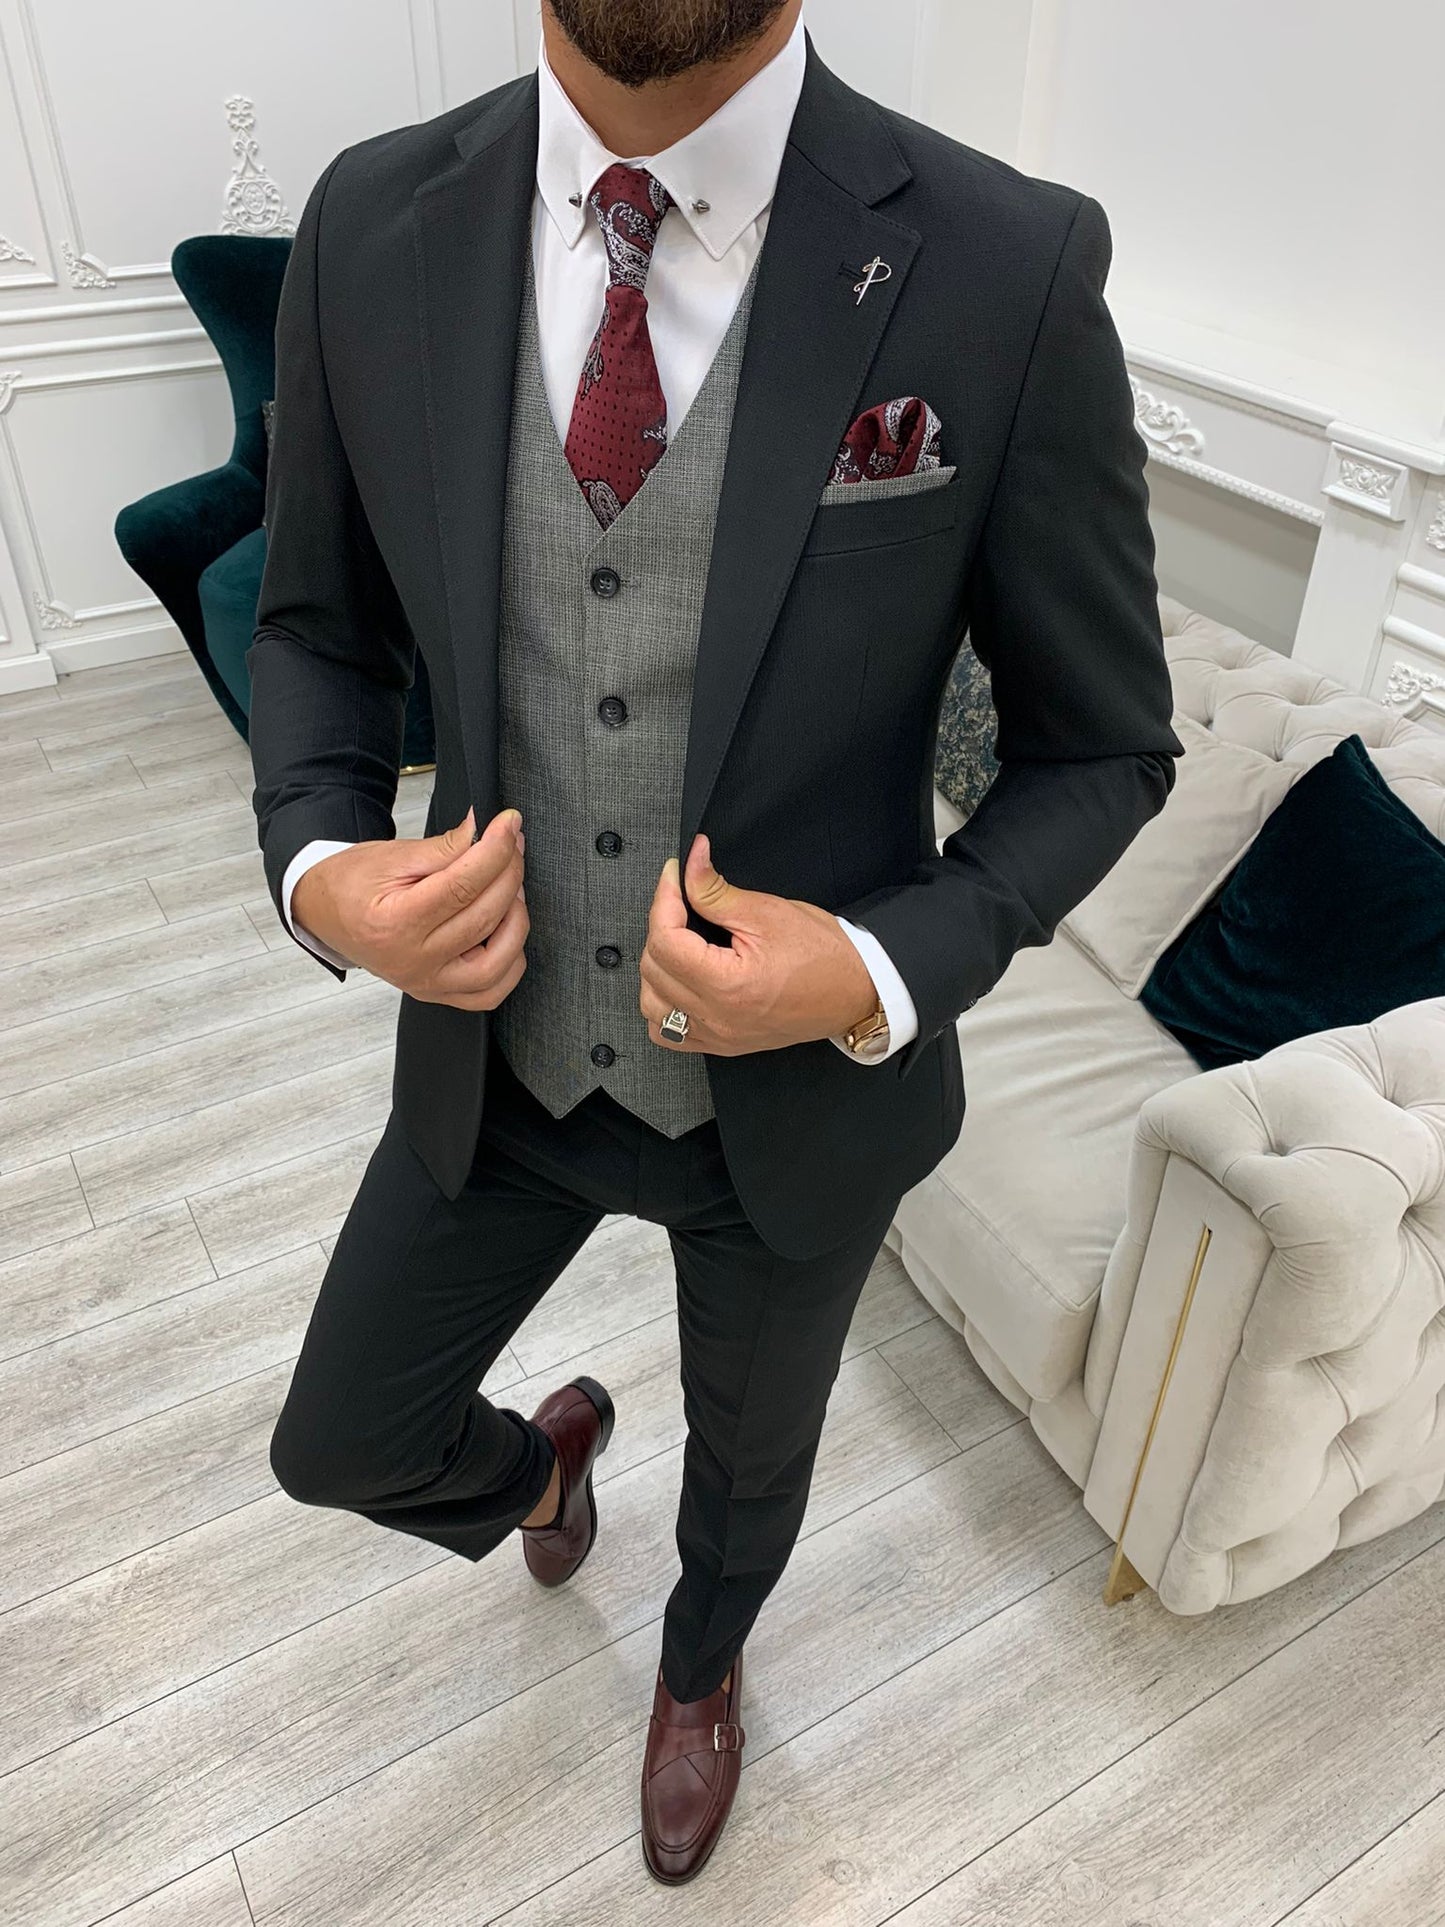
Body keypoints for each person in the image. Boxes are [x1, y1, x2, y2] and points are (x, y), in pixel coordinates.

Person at [247, 0, 1182, 1886]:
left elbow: (1105, 745)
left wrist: (879, 969)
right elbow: (315, 627)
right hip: (499, 1062)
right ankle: (544, 1468)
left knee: (753, 1474)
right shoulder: (367, 221)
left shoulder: (1004, 262)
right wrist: (321, 864)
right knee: (337, 1441)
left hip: (797, 1108)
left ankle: (698, 1667)